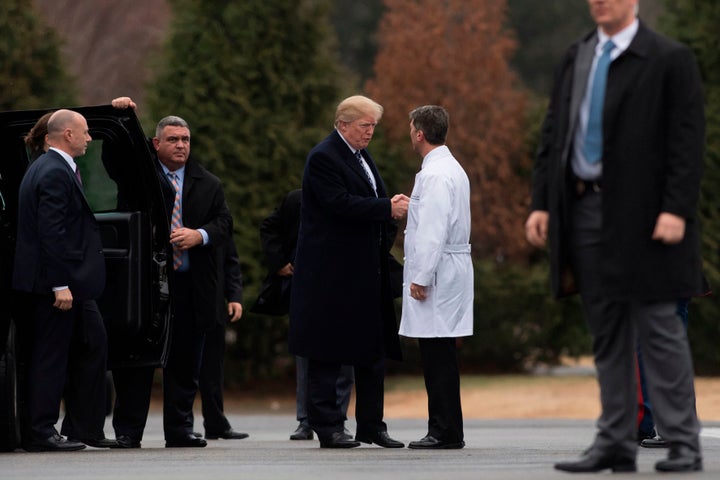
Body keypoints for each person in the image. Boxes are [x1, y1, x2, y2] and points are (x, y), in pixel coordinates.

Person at [525, 0, 705, 473]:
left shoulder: (669, 58)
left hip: (646, 216)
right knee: (607, 334)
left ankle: (684, 443)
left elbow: (687, 142)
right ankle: (617, 441)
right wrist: (542, 202)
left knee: (659, 328)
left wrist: (675, 210)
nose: (600, 0)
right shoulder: (577, 55)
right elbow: (553, 133)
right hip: (582, 210)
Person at [110, 99, 233, 448]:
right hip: (145, 287)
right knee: (136, 363)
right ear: (157, 144)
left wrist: (200, 235)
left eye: (186, 139)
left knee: (184, 363)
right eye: (173, 139)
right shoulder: (139, 176)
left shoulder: (208, 182)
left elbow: (225, 223)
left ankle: (180, 430)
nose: (181, 145)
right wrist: (122, 113)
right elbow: (112, 158)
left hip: (190, 287)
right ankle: (127, 431)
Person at [288, 95, 408, 449]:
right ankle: (328, 426)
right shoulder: (324, 157)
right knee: (328, 352)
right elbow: (337, 204)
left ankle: (372, 425)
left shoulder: (359, 155)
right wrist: (386, 208)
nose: (370, 132)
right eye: (364, 126)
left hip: (364, 272)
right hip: (332, 275)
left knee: (372, 351)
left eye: (373, 126)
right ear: (342, 124)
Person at [13, 110, 116, 451]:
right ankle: (41, 432)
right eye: (85, 133)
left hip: (69, 283)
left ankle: (83, 427)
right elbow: (51, 232)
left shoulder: (48, 166)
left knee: (93, 343)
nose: (89, 138)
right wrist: (59, 284)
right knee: (51, 355)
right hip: (54, 284)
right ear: (67, 135)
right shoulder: (54, 171)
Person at [254, 189, 355, 441]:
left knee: (345, 357)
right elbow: (269, 227)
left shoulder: (353, 198)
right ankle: (306, 420)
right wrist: (278, 262)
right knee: (305, 354)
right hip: (305, 284)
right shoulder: (297, 199)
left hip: (344, 283)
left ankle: (337, 419)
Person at [399, 106, 473, 450]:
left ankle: (443, 429)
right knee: (440, 351)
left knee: (437, 353)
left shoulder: (435, 175)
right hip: (447, 267)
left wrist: (421, 276)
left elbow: (432, 229)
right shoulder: (447, 169)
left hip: (439, 271)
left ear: (419, 133)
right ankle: (446, 427)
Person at [196, 237, 249, 440]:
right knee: (184, 367)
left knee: (213, 367)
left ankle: (215, 422)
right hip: (183, 299)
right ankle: (181, 425)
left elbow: (230, 257)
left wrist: (234, 295)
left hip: (214, 301)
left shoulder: (218, 212)